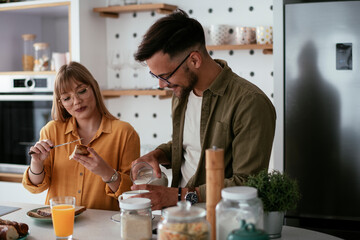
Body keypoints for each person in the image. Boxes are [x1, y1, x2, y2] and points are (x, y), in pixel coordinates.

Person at [130, 9, 276, 210]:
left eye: (165, 76)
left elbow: (247, 183)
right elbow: (189, 144)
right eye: (156, 77)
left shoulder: (250, 102)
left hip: (221, 221)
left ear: (195, 60)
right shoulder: (182, 93)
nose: (162, 86)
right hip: (179, 217)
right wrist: (157, 155)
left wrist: (179, 196)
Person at [22, 61, 140, 211]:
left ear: (94, 88)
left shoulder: (125, 133)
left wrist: (106, 172)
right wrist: (36, 163)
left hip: (104, 229)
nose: (76, 101)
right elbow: (35, 188)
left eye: (82, 91)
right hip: (59, 225)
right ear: (61, 103)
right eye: (67, 98)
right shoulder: (51, 131)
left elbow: (133, 194)